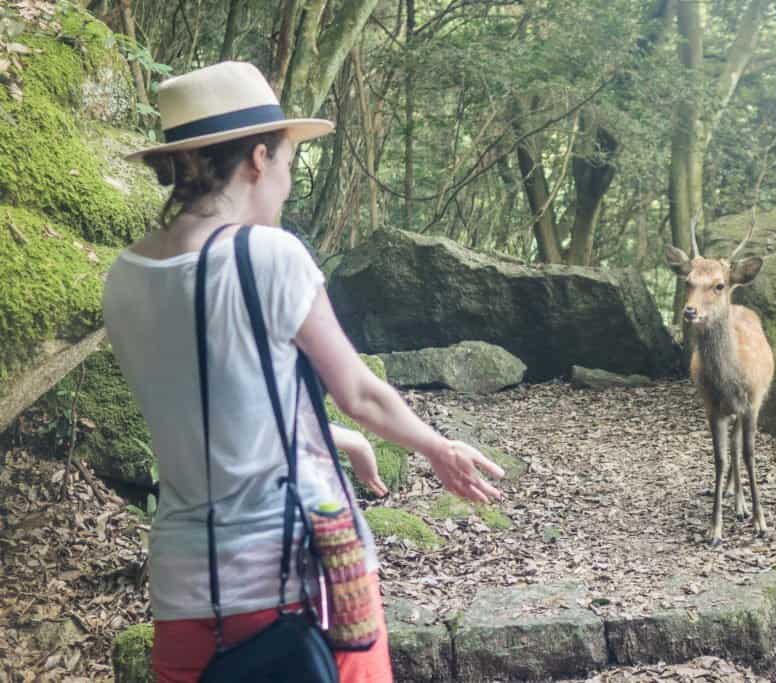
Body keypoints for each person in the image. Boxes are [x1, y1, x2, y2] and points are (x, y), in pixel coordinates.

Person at [102, 61, 504, 683]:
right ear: (259, 159)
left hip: (183, 588)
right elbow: (360, 392)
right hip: (301, 581)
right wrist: (435, 446)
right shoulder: (269, 255)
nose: (287, 182)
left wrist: (341, 439)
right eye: (288, 162)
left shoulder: (125, 276)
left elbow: (211, 416)